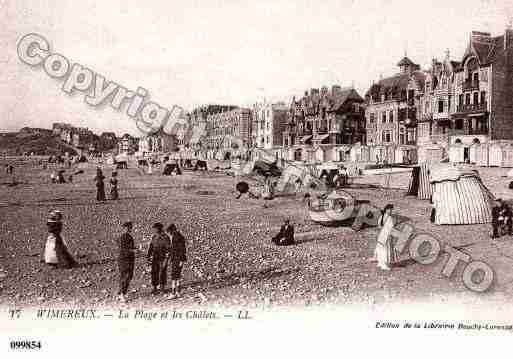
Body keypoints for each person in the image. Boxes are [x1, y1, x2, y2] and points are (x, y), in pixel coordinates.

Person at [147, 222, 171, 294]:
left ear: (159, 228)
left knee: (162, 272)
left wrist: (166, 260)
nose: (154, 230)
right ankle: (154, 288)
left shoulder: (165, 237)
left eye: (155, 228)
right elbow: (151, 247)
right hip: (155, 257)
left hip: (162, 257)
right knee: (154, 272)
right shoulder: (154, 237)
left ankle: (162, 288)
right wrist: (148, 256)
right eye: (154, 228)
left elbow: (168, 249)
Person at [373, 204, 397, 271]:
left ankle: (380, 263)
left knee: (380, 248)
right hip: (386, 235)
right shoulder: (389, 218)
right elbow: (391, 228)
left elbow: (379, 226)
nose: (391, 211)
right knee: (386, 249)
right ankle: (384, 264)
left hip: (381, 235)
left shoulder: (381, 216)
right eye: (390, 209)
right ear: (386, 210)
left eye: (391, 210)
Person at [166, 224, 187, 299]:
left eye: (168, 232)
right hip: (178, 259)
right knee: (177, 275)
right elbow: (182, 249)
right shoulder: (179, 236)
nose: (168, 234)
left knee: (174, 276)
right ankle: (178, 292)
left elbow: (181, 249)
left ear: (171, 231)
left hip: (177, 259)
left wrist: (181, 260)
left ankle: (173, 293)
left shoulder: (176, 237)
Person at [117, 221, 136, 303]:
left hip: (129, 259)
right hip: (124, 259)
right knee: (126, 276)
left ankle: (120, 293)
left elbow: (130, 247)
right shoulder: (123, 237)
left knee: (127, 276)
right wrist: (134, 250)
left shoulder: (129, 237)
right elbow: (124, 249)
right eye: (128, 227)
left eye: (130, 227)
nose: (130, 229)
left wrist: (134, 250)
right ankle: (122, 294)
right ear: (124, 228)